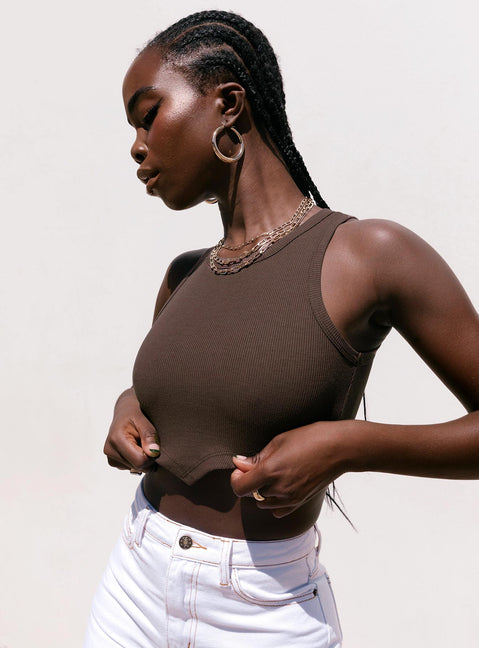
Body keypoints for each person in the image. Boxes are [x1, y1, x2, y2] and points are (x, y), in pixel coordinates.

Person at [84, 10, 479, 648]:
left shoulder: (368, 255)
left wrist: (349, 445)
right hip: (134, 584)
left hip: (262, 610)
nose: (136, 146)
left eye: (148, 115)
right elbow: (194, 393)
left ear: (228, 105)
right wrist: (131, 405)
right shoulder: (183, 276)